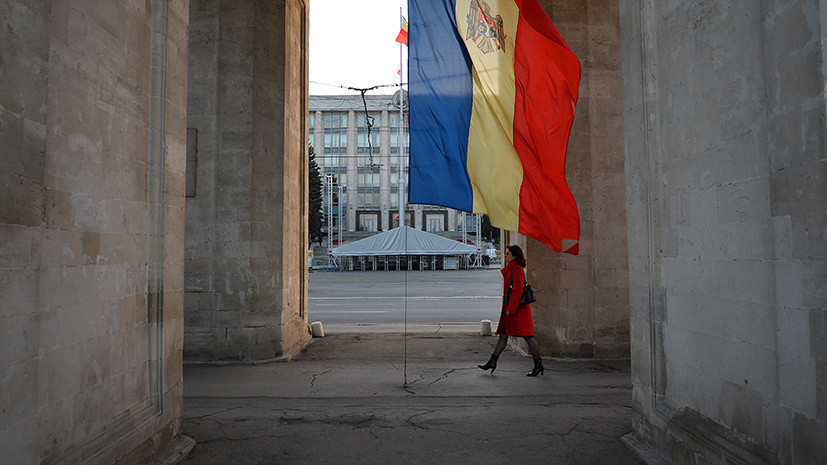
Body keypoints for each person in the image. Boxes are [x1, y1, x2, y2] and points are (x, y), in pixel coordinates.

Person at [478, 244, 544, 376]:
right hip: (511, 309)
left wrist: (511, 308)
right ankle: (492, 361)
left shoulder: (516, 269)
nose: (505, 256)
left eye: (508, 254)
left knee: (529, 336)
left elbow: (518, 289)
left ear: (514, 255)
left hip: (517, 310)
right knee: (503, 335)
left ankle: (538, 364)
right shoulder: (511, 269)